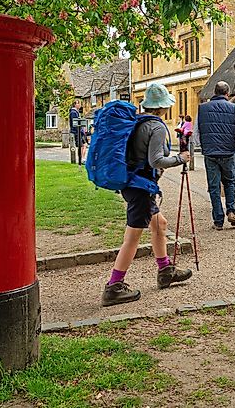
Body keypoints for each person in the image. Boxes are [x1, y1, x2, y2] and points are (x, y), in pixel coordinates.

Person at [102, 84, 193, 307]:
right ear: (163, 106)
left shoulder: (138, 122)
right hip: (141, 187)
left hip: (134, 183)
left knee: (160, 225)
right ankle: (113, 287)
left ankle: (165, 271)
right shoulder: (157, 127)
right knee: (132, 238)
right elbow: (156, 161)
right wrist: (181, 159)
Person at [197, 81, 235, 230]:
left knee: (214, 186)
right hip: (227, 151)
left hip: (210, 152)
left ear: (215, 92)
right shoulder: (233, 108)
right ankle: (231, 210)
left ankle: (218, 220)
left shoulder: (202, 108)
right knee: (230, 182)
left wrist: (202, 145)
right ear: (227, 93)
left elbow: (196, 131)